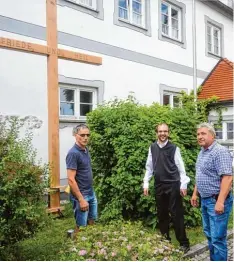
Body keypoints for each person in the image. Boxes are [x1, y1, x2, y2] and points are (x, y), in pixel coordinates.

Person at [143, 123, 190, 252]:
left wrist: (183, 184)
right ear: (156, 133)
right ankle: (165, 241)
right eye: (160, 131)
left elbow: (181, 168)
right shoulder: (152, 147)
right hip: (159, 185)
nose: (162, 134)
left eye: (165, 131)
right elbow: (149, 167)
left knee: (176, 214)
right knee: (162, 214)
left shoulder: (174, 148)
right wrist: (146, 183)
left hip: (173, 184)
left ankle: (184, 243)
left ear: (168, 133)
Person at [191, 123, 233, 261]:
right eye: (198, 134)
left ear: (212, 135)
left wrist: (220, 202)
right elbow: (200, 174)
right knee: (209, 235)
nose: (199, 137)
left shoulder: (219, 151)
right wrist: (195, 193)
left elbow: (227, 177)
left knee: (218, 238)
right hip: (205, 200)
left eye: (203, 134)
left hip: (216, 201)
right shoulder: (202, 152)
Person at [66, 124, 97, 234]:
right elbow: (70, 179)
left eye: (88, 135)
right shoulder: (73, 153)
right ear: (75, 135)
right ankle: (76, 247)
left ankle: (90, 247)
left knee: (92, 221)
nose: (85, 138)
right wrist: (81, 199)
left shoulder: (85, 149)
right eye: (82, 135)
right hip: (81, 195)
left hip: (90, 192)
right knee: (81, 226)